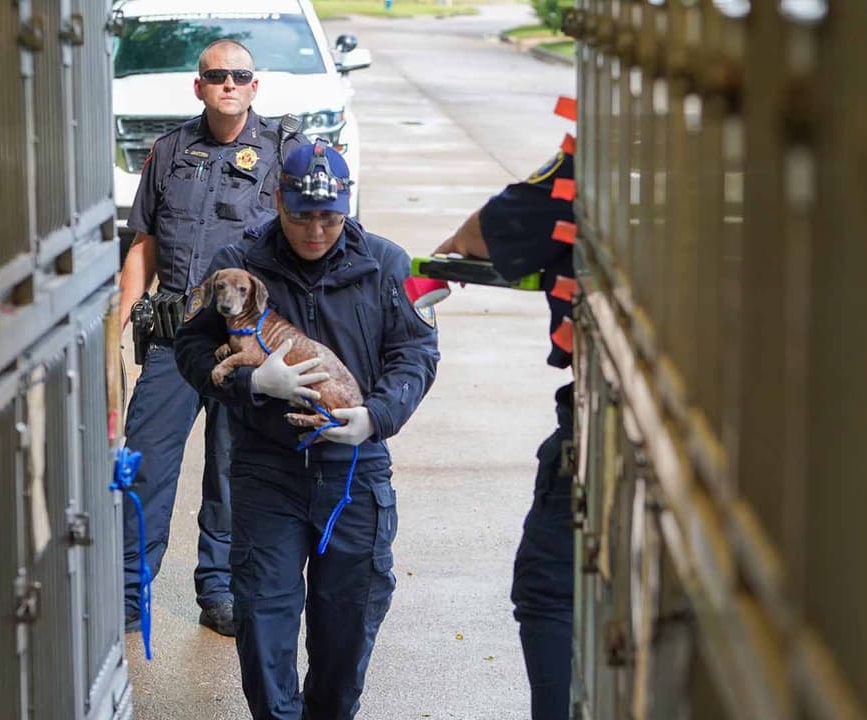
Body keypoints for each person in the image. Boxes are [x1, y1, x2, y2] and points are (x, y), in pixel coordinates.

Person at [175, 142, 440, 719]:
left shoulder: (388, 264)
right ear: (277, 202)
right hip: (267, 468)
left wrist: (378, 416)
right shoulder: (239, 262)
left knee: (349, 617)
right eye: (301, 217)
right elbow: (191, 350)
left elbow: (416, 354)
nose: (315, 231)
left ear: (346, 205)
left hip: (354, 470)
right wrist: (251, 386)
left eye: (328, 217)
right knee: (264, 614)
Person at [119, 38, 307, 637]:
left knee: (232, 469)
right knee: (146, 462)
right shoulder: (171, 151)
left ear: (256, 86)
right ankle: (128, 587)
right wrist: (116, 323)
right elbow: (144, 241)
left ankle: (220, 589)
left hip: (244, 344)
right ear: (198, 87)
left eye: (240, 75)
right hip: (176, 340)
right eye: (216, 76)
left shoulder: (285, 153)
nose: (228, 84)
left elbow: (312, 239)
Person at [433, 146, 577, 720]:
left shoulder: (598, 160)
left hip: (613, 431)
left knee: (550, 591)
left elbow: (486, 235)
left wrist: (455, 247)